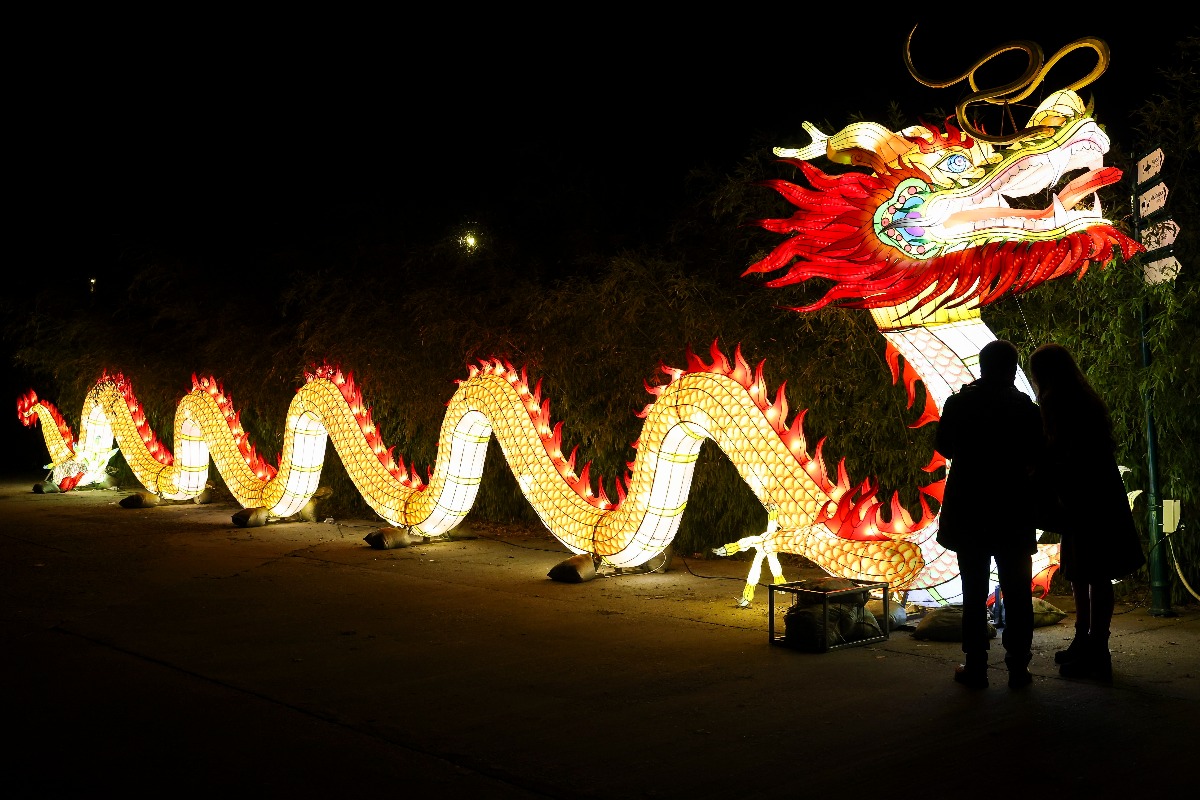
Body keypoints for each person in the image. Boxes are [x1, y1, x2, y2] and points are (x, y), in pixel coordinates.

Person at [1029, 343, 1146, 682]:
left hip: (1079, 498)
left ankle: (1092, 648)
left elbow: (1054, 452)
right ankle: (1093, 643)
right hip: (1101, 494)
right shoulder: (1087, 400)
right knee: (1095, 572)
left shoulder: (1053, 402)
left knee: (1085, 572)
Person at [934, 339, 1046, 689]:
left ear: (981, 367)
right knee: (1017, 592)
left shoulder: (960, 403)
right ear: (1012, 369)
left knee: (973, 590)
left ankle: (976, 666)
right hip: (1013, 509)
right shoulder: (1025, 408)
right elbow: (1037, 454)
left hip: (970, 508)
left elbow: (943, 446)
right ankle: (1018, 667)